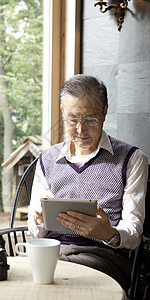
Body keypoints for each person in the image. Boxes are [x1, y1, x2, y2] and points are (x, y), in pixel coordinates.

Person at [28, 74, 148, 290]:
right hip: (52, 253)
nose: (81, 130)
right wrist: (39, 220)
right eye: (73, 120)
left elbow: (134, 232)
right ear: (63, 112)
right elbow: (35, 232)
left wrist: (109, 234)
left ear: (104, 112)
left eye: (90, 119)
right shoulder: (47, 159)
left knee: (54, 282)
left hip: (104, 257)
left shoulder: (131, 159)